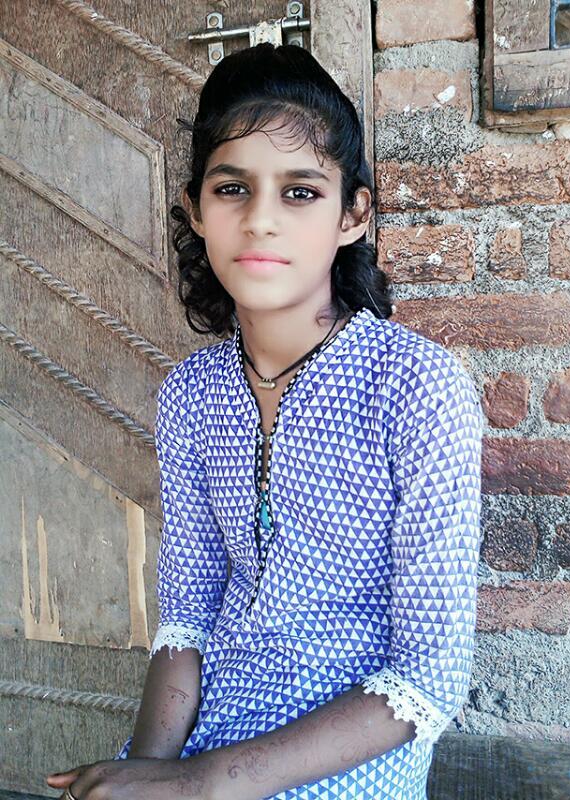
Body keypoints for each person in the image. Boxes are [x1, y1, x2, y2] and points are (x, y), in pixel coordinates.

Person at [46, 42, 484, 800]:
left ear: (353, 214)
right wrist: (147, 772)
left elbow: (428, 679)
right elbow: (187, 616)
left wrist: (200, 785)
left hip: (348, 745)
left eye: (301, 192)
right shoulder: (191, 393)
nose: (260, 221)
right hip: (212, 719)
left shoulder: (416, 387)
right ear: (196, 209)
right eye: (232, 188)